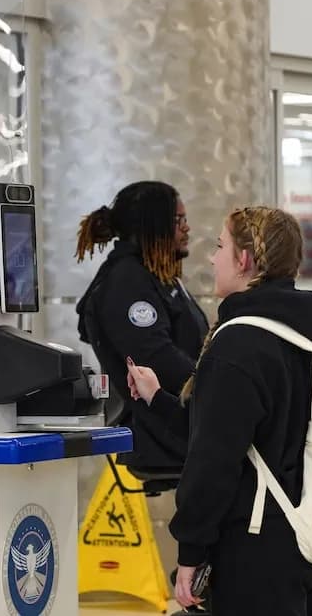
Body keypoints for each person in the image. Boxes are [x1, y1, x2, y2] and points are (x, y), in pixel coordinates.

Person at [126, 206, 312, 614]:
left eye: (220, 247)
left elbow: (213, 462)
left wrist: (191, 550)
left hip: (254, 552)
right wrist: (157, 399)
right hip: (308, 542)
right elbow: (224, 433)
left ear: (244, 260)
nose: (212, 258)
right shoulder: (306, 335)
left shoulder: (238, 346)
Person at [75, 181, 209, 471]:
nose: (187, 228)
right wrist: (216, 387)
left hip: (185, 423)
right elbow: (157, 359)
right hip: (162, 435)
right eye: (178, 220)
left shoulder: (155, 275)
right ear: (152, 225)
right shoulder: (125, 283)